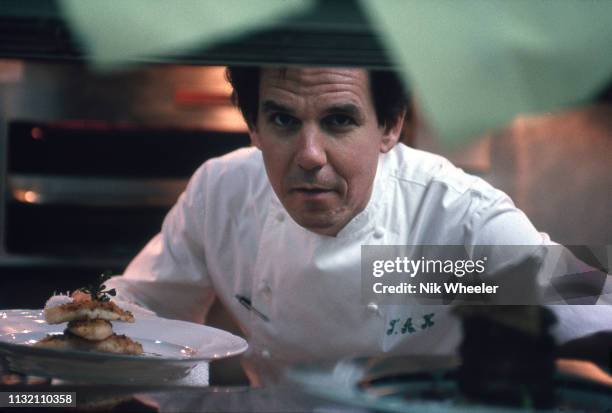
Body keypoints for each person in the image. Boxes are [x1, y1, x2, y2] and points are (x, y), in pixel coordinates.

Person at [106, 67, 611, 385]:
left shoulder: (450, 213)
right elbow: (141, 306)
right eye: (282, 120)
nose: (308, 156)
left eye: (339, 121)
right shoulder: (222, 191)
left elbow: (592, 296)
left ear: (389, 128)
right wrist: (75, 356)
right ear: (254, 128)